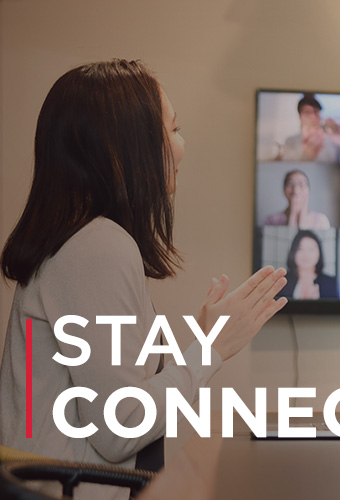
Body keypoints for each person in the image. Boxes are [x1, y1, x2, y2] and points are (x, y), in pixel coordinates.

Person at [0, 60, 287, 498]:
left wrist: (204, 339)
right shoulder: (98, 247)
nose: (182, 146)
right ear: (124, 146)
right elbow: (122, 428)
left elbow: (121, 401)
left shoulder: (82, 242)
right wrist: (208, 351)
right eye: (173, 130)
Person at [279, 93, 340, 163]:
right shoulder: (291, 141)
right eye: (308, 113)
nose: (313, 117)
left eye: (316, 112)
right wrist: (306, 156)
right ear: (300, 117)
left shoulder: (332, 141)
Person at [279, 230, 338, 299]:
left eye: (311, 249)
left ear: (319, 252)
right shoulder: (282, 281)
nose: (306, 254)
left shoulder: (331, 283)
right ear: (293, 251)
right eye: (300, 249)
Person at [263, 170, 330, 229]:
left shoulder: (321, 220)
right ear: (284, 189)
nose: (296, 189)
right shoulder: (271, 220)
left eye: (301, 184)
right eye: (290, 184)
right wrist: (291, 216)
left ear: (308, 189)